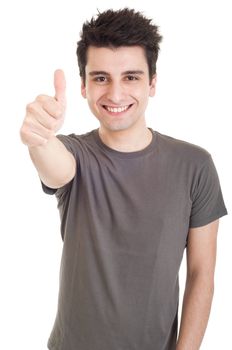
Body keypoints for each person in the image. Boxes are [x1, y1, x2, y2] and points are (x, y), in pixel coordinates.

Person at [20, 8, 227, 350]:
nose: (115, 95)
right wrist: (39, 138)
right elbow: (54, 167)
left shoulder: (195, 165)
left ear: (153, 83)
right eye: (101, 78)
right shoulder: (75, 153)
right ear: (84, 86)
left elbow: (201, 272)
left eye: (130, 77)